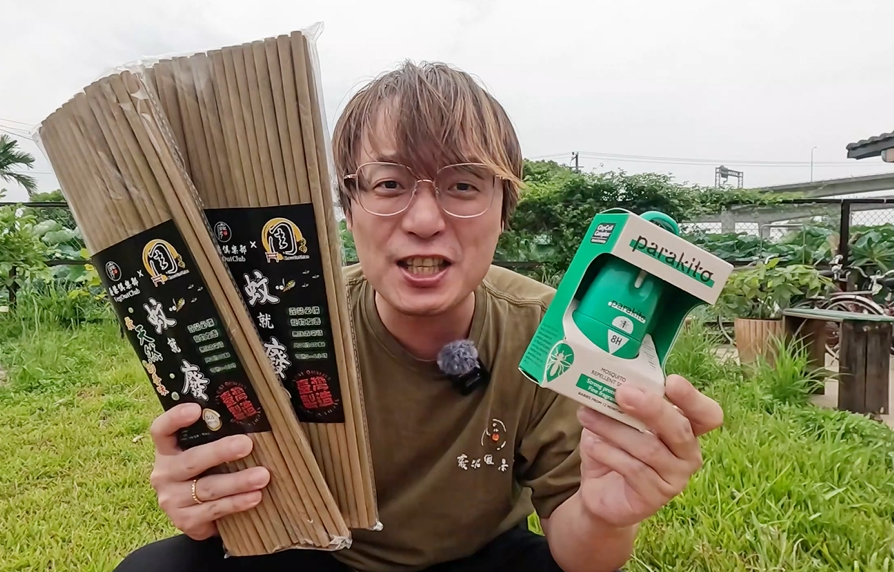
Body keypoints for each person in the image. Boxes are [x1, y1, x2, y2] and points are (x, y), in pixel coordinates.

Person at [114, 60, 724, 572]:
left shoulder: (552, 332)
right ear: (348, 209)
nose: (425, 220)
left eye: (463, 186)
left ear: (503, 211)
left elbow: (580, 550)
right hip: (324, 556)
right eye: (388, 184)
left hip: (481, 557)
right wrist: (200, 496)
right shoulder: (284, 318)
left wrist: (605, 514)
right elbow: (232, 497)